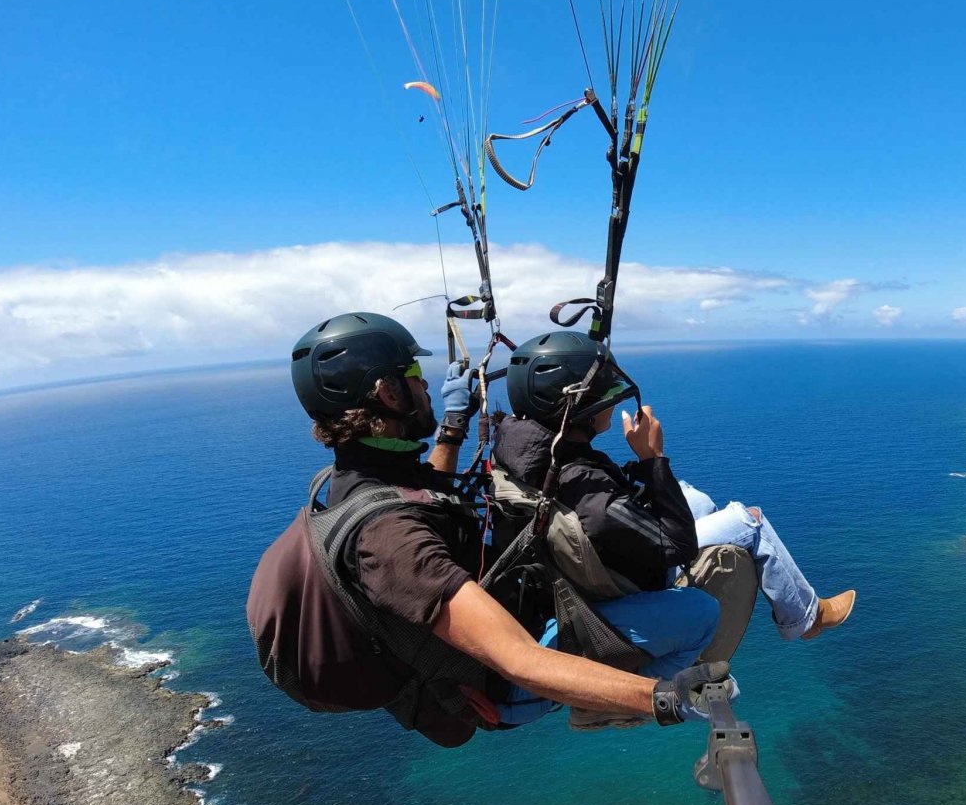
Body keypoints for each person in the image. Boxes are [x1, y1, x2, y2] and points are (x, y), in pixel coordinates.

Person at [248, 311, 733, 746]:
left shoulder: (353, 479)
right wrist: (663, 697)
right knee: (699, 612)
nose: (425, 385)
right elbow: (521, 660)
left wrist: (455, 424)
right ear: (387, 393)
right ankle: (600, 711)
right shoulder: (389, 541)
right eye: (414, 376)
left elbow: (428, 491)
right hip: (500, 687)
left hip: (509, 622)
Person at [493, 331, 855, 644]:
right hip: (629, 574)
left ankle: (733, 552)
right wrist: (653, 458)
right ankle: (805, 619)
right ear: (579, 409)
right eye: (605, 396)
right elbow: (675, 543)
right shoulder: (584, 486)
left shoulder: (529, 450)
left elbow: (597, 497)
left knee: (696, 498)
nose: (613, 401)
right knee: (750, 520)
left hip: (597, 550)